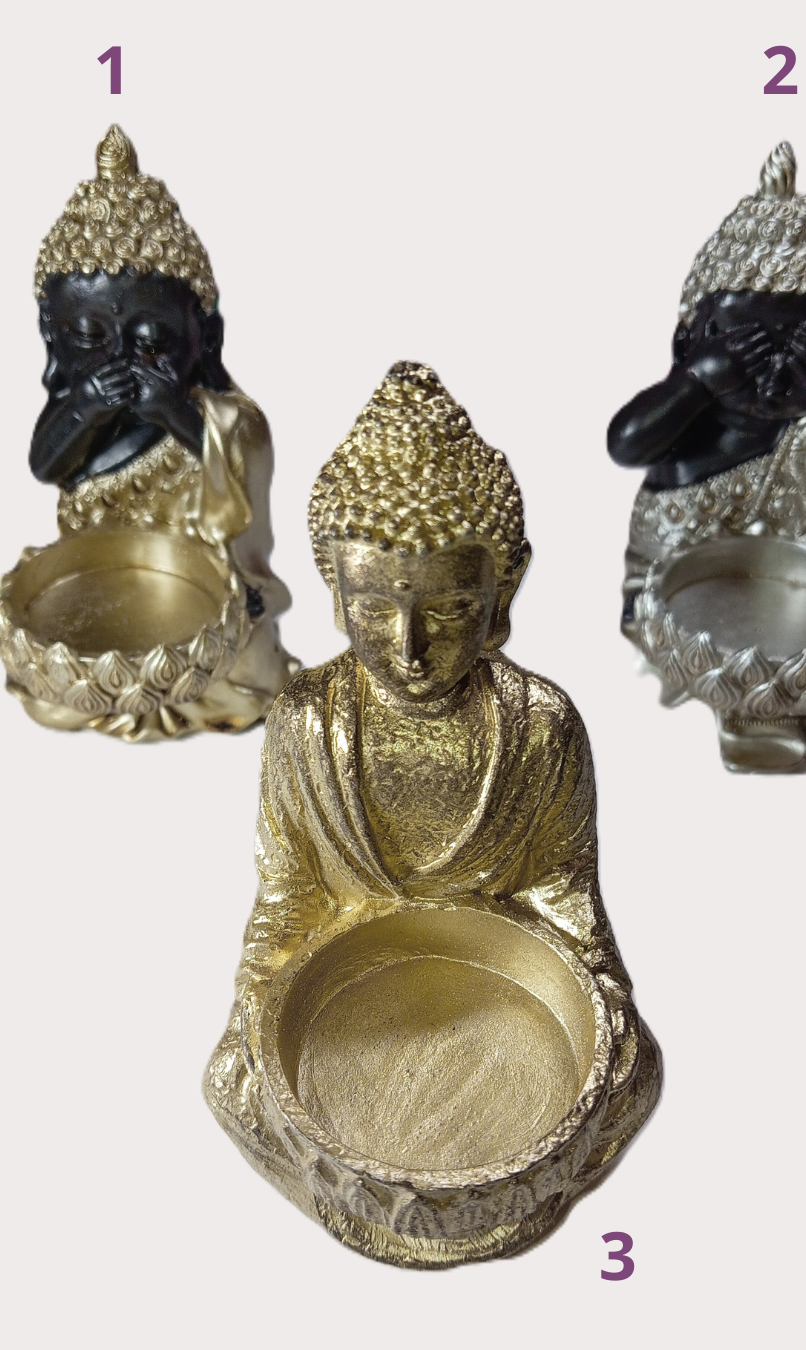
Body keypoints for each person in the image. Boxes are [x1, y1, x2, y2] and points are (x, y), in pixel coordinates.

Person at [204, 361, 660, 1260]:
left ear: (503, 592)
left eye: (449, 610)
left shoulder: (539, 726)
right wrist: (260, 1001)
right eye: (376, 608)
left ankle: (476, 1197)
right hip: (342, 981)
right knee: (234, 1083)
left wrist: (597, 1002)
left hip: (502, 983)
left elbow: (566, 896)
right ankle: (384, 1199)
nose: (409, 648)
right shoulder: (306, 723)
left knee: (633, 1072)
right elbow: (290, 895)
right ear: (335, 591)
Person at [21, 125, 296, 737]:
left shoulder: (224, 419)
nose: (121, 359)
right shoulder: (82, 410)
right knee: (50, 689)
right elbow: (44, 465)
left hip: (208, 602)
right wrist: (84, 408)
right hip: (106, 597)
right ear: (54, 339)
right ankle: (108, 681)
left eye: (151, 340)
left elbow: (243, 476)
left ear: (206, 339)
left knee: (252, 678)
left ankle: (168, 685)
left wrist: (175, 412)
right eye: (88, 337)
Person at [607, 143, 806, 629]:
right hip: (664, 591)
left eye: (804, 354)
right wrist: (695, 385)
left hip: (792, 601)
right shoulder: (687, 424)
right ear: (689, 342)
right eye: (746, 355)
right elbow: (624, 444)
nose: (774, 375)